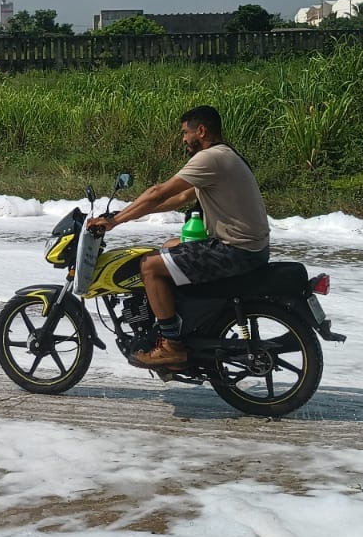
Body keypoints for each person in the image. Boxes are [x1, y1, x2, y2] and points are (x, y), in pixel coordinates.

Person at [86, 104, 270, 368]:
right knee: (170, 246)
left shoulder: (210, 158)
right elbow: (179, 198)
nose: (183, 139)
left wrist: (114, 222)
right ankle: (185, 321)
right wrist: (126, 213)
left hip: (235, 250)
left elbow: (158, 192)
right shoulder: (226, 156)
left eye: (185, 133)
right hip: (248, 247)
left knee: (149, 266)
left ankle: (171, 344)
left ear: (201, 131)